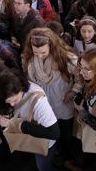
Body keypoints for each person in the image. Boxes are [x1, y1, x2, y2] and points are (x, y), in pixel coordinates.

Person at [22, 27, 81, 167]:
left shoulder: (67, 58)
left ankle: (67, 158)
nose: (39, 56)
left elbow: (81, 78)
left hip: (63, 103)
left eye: (43, 52)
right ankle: (55, 153)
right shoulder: (28, 59)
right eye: (35, 52)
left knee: (66, 135)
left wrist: (73, 92)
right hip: (44, 105)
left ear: (52, 46)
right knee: (50, 133)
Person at [0, 70, 60, 171]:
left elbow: (54, 133)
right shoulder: (5, 91)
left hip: (44, 142)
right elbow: (3, 109)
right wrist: (1, 117)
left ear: (21, 88)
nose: (12, 105)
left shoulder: (38, 101)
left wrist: (22, 126)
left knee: (43, 167)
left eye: (14, 100)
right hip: (28, 138)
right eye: (8, 102)